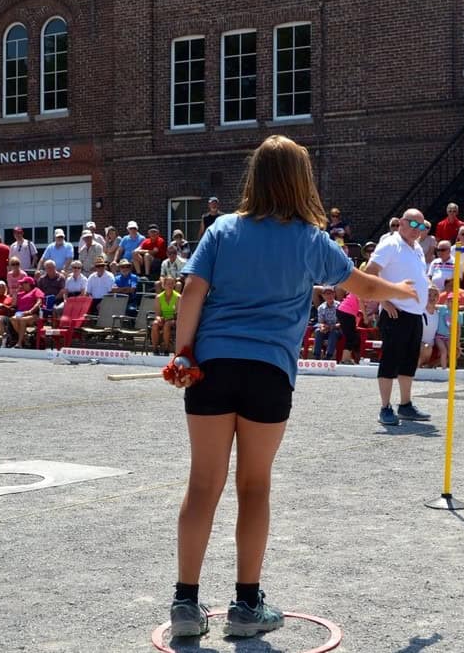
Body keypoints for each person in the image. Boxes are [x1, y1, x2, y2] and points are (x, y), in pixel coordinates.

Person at [164, 135, 417, 639]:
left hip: (211, 366)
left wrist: (182, 352)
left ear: (254, 178)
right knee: (253, 486)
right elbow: (362, 286)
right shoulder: (309, 239)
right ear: (302, 181)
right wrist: (402, 291)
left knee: (202, 486)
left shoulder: (222, 229)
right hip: (269, 373)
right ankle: (245, 606)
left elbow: (193, 291)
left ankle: (186, 606)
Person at [365, 208, 433, 426]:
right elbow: (369, 273)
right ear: (402, 223)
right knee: (390, 360)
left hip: (414, 313)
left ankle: (405, 404)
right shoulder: (390, 244)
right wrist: (384, 301)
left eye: (421, 227)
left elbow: (417, 275)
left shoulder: (417, 249)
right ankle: (385, 407)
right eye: (413, 225)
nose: (417, 230)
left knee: (409, 361)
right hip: (396, 313)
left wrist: (428, 287)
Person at [10, 276, 43, 348]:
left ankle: (19, 343)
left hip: (33, 314)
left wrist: (31, 311)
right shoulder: (20, 293)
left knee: (22, 320)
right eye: (21, 283)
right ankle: (25, 338)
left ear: (29, 284)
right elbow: (13, 304)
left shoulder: (36, 290)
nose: (21, 285)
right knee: (13, 319)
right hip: (21, 313)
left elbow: (39, 302)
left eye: (23, 283)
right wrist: (15, 293)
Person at [150, 275, 180, 354]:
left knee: (167, 324)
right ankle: (155, 349)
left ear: (174, 285)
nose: (170, 285)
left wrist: (168, 318)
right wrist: (158, 318)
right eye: (168, 283)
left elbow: (177, 314)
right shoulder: (158, 297)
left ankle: (166, 349)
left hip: (174, 320)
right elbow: (157, 314)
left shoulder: (178, 297)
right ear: (164, 285)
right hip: (163, 318)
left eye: (172, 283)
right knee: (155, 324)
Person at [311, 286, 341, 360]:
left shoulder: (340, 306)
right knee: (318, 331)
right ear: (323, 296)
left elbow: (342, 323)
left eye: (330, 293)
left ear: (334, 294)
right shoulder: (321, 307)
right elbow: (321, 322)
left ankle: (328, 356)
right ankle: (316, 355)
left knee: (333, 333)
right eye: (326, 294)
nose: (329, 296)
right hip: (327, 329)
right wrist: (323, 327)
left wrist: (332, 327)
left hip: (337, 329)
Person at [335, 286, 362, 364]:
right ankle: (344, 359)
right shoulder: (361, 288)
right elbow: (361, 302)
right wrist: (366, 317)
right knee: (351, 337)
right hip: (346, 312)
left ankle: (348, 358)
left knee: (353, 336)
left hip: (346, 312)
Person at [418, 286, 441, 368]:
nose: (432, 297)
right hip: (418, 344)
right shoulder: (419, 310)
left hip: (432, 345)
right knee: (427, 347)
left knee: (454, 351)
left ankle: (427, 367)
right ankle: (415, 368)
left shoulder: (439, 313)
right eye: (429, 295)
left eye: (435, 295)